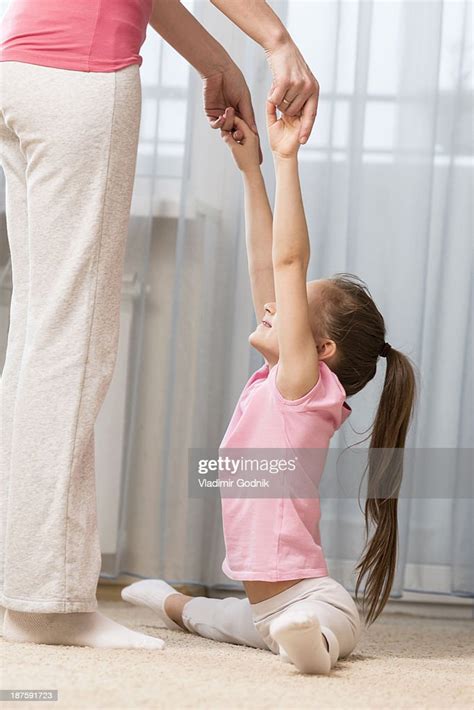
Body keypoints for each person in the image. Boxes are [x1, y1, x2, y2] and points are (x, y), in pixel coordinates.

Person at [0, 0, 318, 649]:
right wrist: (276, 40)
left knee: (38, 338)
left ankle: (22, 591)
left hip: (22, 71)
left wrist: (217, 61)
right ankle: (49, 606)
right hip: (82, 84)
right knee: (74, 344)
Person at [121, 104, 417, 673]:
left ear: (319, 349)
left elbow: (286, 256)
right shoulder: (276, 383)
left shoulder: (305, 388)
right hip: (265, 609)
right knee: (212, 617)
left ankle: (314, 650)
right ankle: (169, 599)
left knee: (325, 626)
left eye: (292, 302)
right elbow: (267, 260)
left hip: (311, 598)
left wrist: (286, 159)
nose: (274, 302)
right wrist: (250, 172)